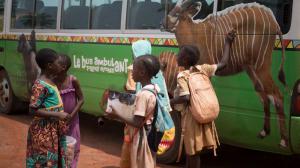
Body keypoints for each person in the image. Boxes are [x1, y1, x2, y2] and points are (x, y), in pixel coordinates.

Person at [170, 30, 236, 168]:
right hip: (202, 114)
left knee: (192, 152)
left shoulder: (182, 76)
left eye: (180, 54)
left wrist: (170, 102)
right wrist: (227, 43)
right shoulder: (203, 69)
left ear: (185, 59)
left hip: (191, 118)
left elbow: (185, 97)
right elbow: (223, 63)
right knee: (193, 151)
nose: (177, 56)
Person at [107, 54, 161, 168]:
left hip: (139, 136)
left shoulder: (143, 95)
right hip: (147, 131)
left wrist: (116, 115)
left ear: (142, 73)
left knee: (137, 162)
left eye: (134, 69)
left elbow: (137, 122)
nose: (131, 72)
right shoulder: (153, 88)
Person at [26, 48, 70, 167]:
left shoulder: (50, 81)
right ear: (50, 65)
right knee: (45, 161)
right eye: (58, 63)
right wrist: (58, 114)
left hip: (54, 129)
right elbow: (33, 109)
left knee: (57, 160)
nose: (60, 65)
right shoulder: (40, 85)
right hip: (44, 132)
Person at [55, 54, 84, 168]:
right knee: (58, 149)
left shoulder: (73, 80)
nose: (52, 65)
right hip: (57, 121)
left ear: (63, 67)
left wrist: (71, 116)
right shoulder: (52, 82)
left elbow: (81, 99)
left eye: (55, 63)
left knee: (72, 150)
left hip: (72, 121)